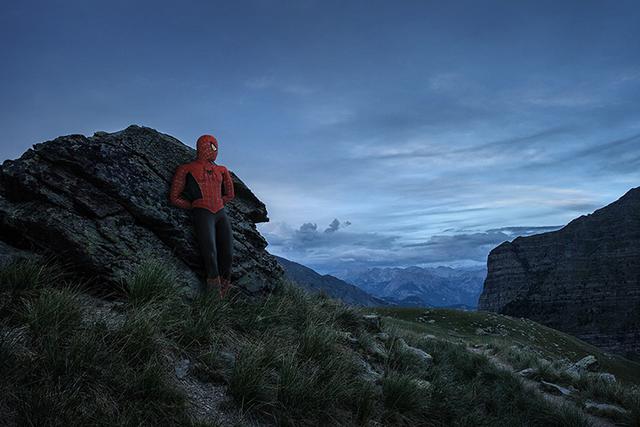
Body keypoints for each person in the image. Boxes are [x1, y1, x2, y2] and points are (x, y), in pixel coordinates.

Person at [169, 134, 235, 298]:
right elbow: (174, 197)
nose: (214, 150)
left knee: (228, 253)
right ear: (201, 147)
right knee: (210, 253)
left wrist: (215, 202)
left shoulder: (222, 170)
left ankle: (224, 293)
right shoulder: (186, 169)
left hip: (217, 212)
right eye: (211, 146)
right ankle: (215, 297)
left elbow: (230, 194)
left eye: (215, 147)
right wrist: (195, 205)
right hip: (204, 213)